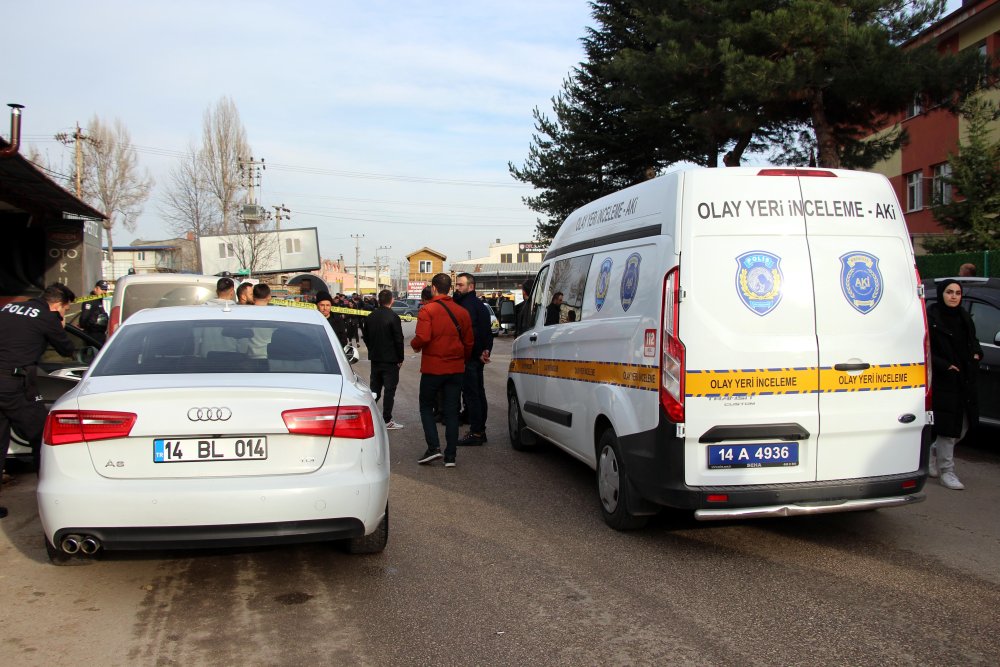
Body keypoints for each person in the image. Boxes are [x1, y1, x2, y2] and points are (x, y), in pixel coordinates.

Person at [0, 283, 76, 518]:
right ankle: (50, 497)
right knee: (41, 437)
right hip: (14, 386)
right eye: (65, 309)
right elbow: (66, 350)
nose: (63, 313)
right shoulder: (46, 317)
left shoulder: (8, 309)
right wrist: (60, 325)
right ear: (58, 305)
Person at [411, 273, 473, 468]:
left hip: (433, 369)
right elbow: (469, 342)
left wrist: (414, 345)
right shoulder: (462, 312)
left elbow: (422, 337)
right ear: (450, 288)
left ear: (434, 288)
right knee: (452, 411)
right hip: (456, 369)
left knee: (425, 406)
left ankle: (433, 448)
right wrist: (462, 359)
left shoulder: (427, 310)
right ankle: (451, 456)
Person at [927, 279, 981, 490]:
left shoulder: (964, 317)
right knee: (948, 429)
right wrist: (945, 366)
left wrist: (977, 353)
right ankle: (947, 472)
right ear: (942, 294)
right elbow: (927, 348)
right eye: (949, 292)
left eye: (957, 293)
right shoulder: (933, 317)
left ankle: (934, 452)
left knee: (964, 426)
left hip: (965, 379)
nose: (953, 296)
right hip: (944, 380)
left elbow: (973, 340)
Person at [453, 273, 493, 445]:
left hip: (469, 357)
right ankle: (480, 430)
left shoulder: (467, 306)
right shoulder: (480, 306)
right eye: (456, 285)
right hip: (477, 356)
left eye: (460, 285)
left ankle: (476, 432)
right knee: (478, 392)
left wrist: (475, 352)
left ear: (471, 287)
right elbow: (486, 333)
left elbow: (471, 333)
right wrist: (485, 350)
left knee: (472, 395)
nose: (457, 288)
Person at [364, 289, 405, 430]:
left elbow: (366, 337)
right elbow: (399, 339)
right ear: (392, 300)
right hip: (391, 360)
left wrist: (372, 350)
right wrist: (400, 358)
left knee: (374, 389)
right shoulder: (393, 317)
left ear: (379, 300)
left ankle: (369, 417)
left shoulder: (370, 317)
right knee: (389, 391)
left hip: (375, 359)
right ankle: (387, 419)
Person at [79, 279, 110, 344]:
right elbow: (84, 319)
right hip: (92, 335)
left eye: (105, 290)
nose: (104, 292)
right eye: (102, 289)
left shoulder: (98, 300)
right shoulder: (90, 301)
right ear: (96, 289)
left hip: (99, 334)